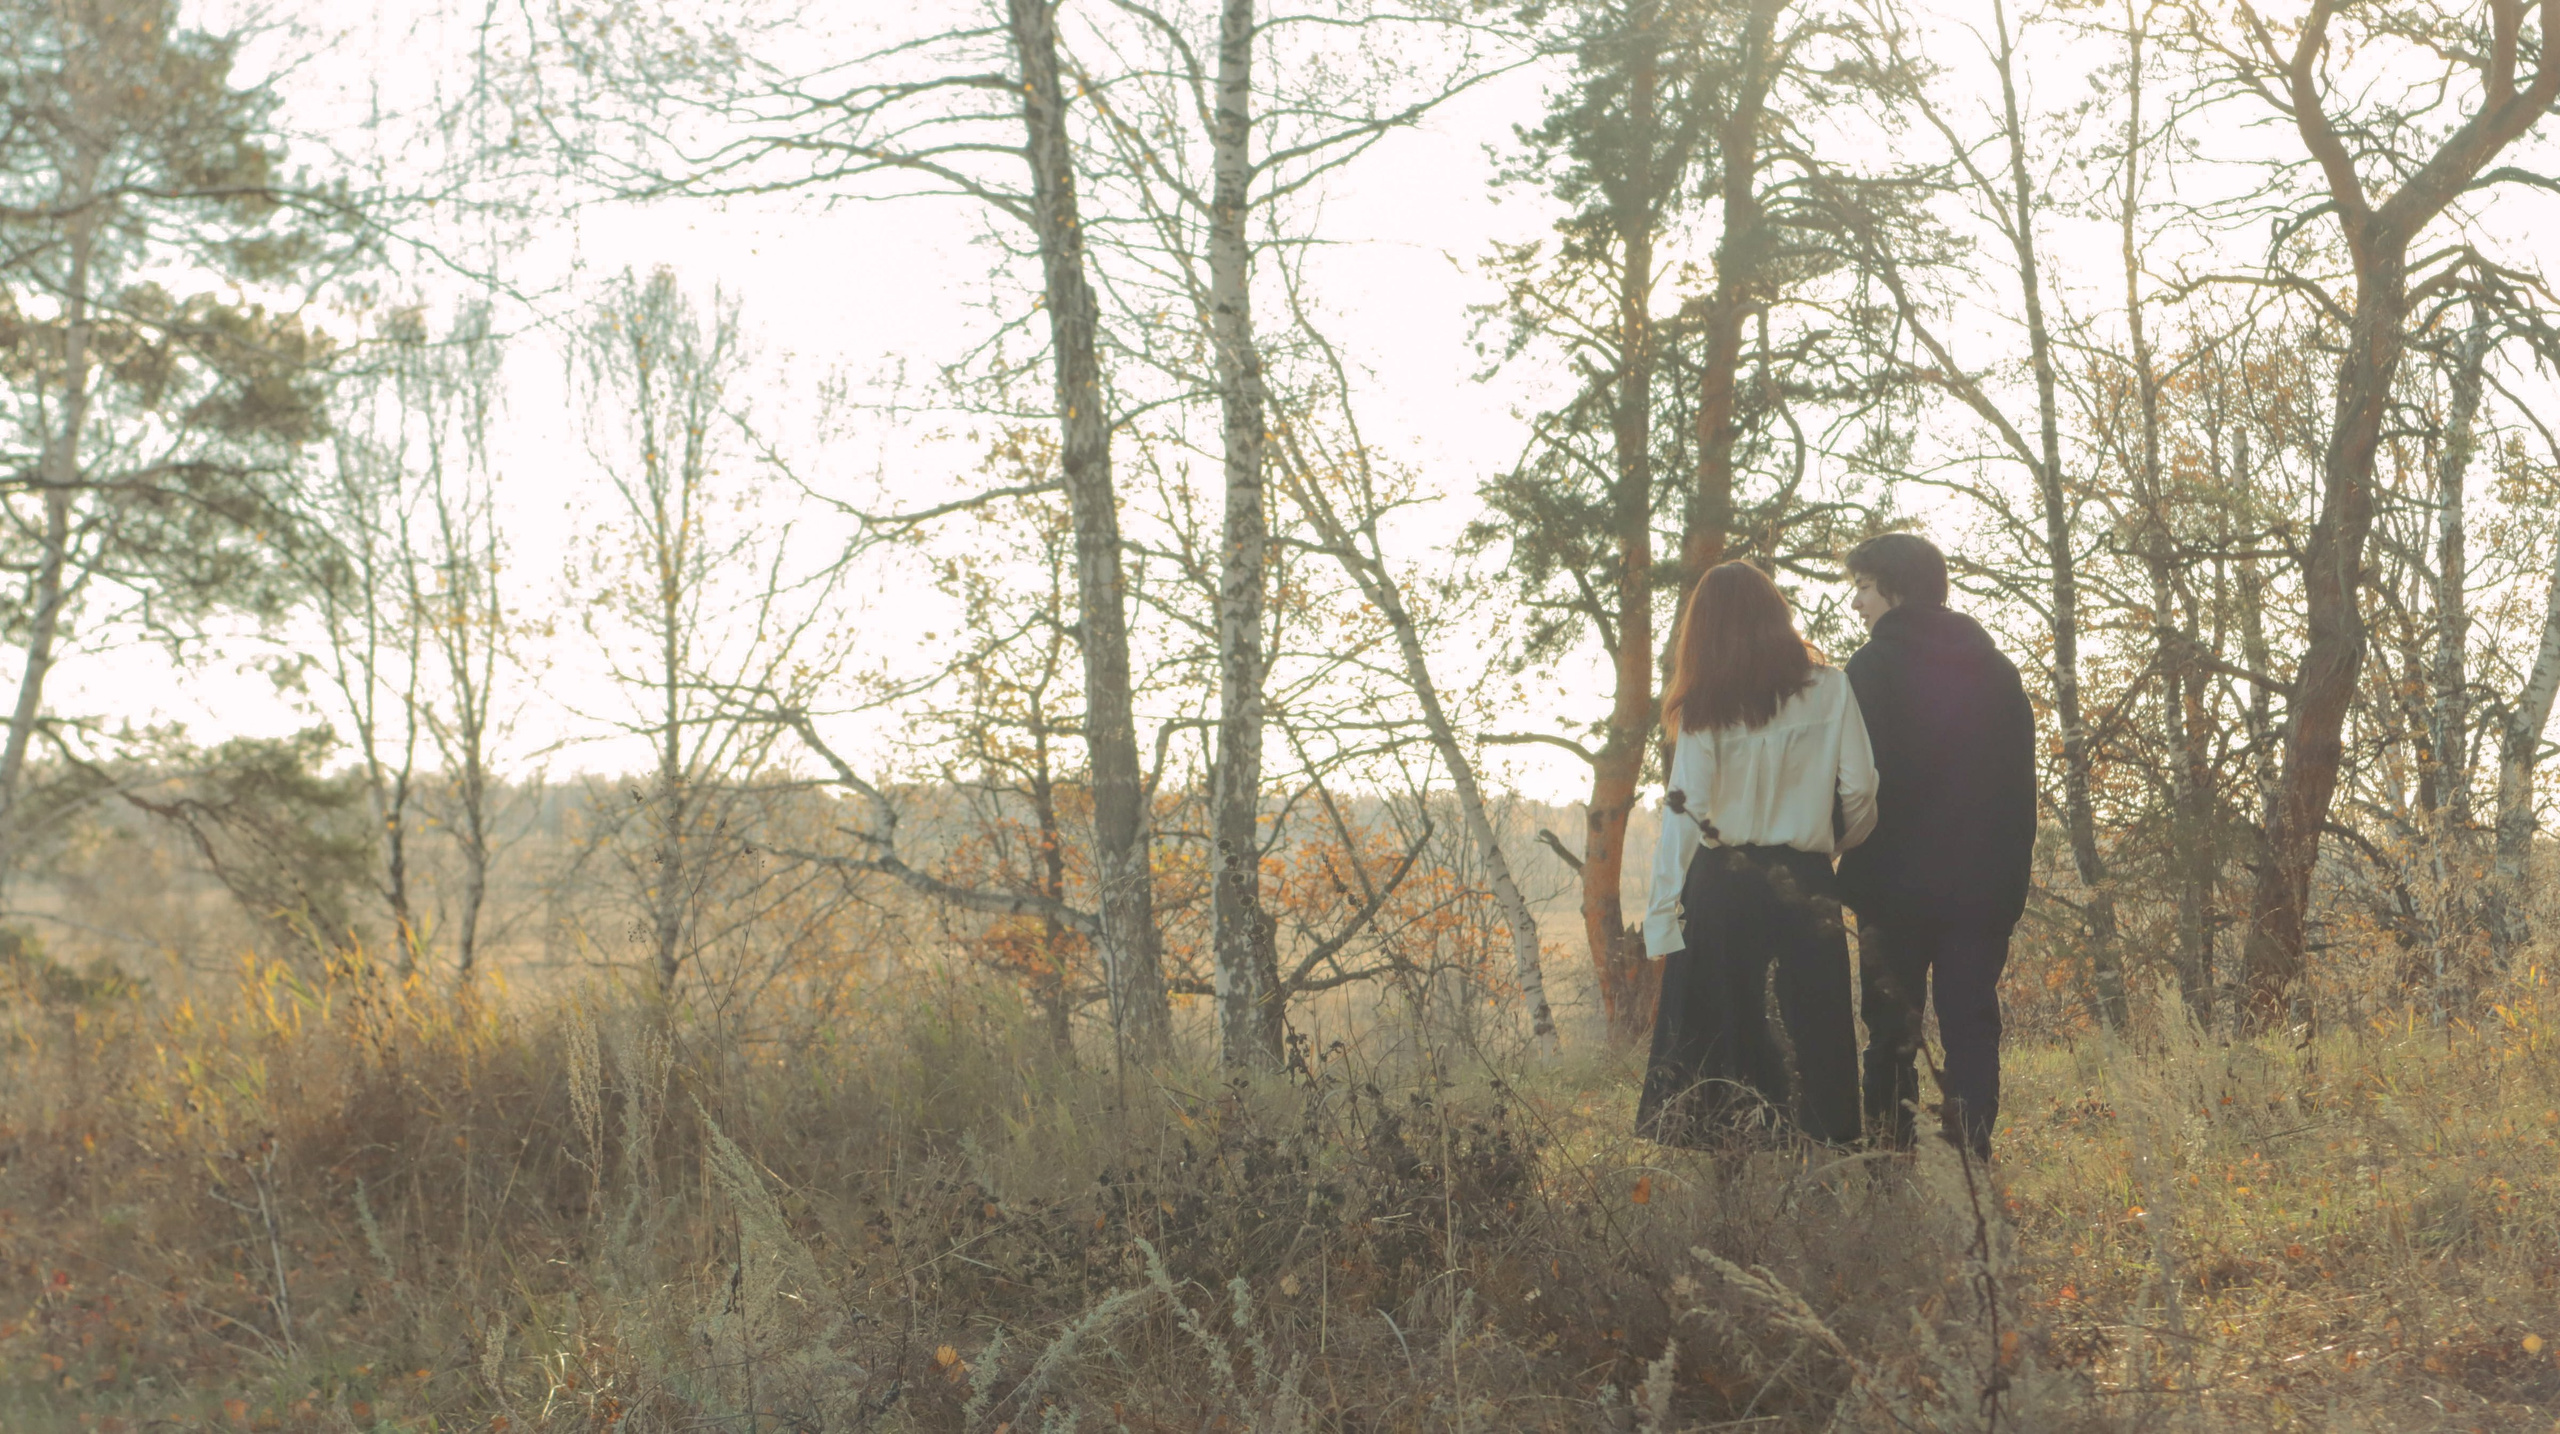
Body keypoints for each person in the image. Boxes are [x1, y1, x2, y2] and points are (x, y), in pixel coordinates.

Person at [1638, 562, 1878, 1149]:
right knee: (1815, 1023)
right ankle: (1823, 1153)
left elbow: (1684, 813)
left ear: (1705, 630)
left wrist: (1662, 910)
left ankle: (1734, 1162)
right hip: (1804, 878)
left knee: (1723, 1025)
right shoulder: (1831, 686)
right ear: (1777, 615)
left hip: (1724, 880)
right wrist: (1835, 843)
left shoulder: (1704, 704)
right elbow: (1861, 787)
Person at [1835, 533, 2037, 1161]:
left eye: (1863, 587)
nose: (1857, 603)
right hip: (1981, 891)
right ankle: (1971, 1165)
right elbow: (2018, 794)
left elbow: (1851, 783)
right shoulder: (1999, 672)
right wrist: (2007, 885)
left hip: (1893, 891)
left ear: (1895, 589)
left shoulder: (1870, 670)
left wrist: (1833, 856)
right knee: (1972, 1027)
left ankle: (1890, 1165)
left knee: (1891, 1033)